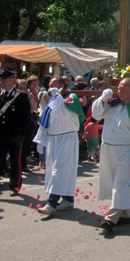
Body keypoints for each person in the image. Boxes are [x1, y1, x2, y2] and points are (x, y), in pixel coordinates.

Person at [91, 79, 130, 233]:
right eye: (119, 88)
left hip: (126, 151)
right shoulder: (112, 103)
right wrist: (102, 99)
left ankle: (110, 219)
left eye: (124, 89)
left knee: (120, 184)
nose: (120, 92)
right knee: (113, 182)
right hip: (108, 149)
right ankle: (125, 215)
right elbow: (96, 115)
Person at [35, 77, 85, 215]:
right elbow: (47, 119)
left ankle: (52, 202)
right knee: (54, 170)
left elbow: (64, 114)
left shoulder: (71, 97)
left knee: (60, 170)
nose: (50, 86)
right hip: (53, 139)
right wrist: (41, 138)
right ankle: (68, 199)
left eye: (54, 83)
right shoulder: (53, 100)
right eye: (49, 84)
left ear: (62, 85)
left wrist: (57, 96)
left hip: (66, 138)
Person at [0, 69, 31, 198]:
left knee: (15, 162)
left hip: (14, 135)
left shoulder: (21, 97)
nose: (2, 82)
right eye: (1, 80)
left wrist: (20, 135)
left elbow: (25, 119)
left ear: (13, 81)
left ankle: (14, 186)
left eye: (5, 80)